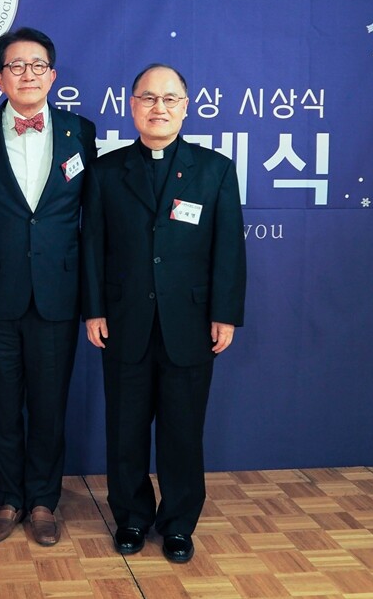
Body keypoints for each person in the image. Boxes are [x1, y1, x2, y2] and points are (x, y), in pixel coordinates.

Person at [81, 63, 246, 563]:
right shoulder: (106, 171)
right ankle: (131, 517)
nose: (159, 108)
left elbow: (228, 249)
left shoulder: (215, 170)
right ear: (132, 106)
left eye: (170, 99)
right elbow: (92, 246)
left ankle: (178, 523)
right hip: (124, 320)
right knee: (125, 429)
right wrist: (93, 310)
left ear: (186, 107)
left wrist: (224, 313)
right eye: (149, 98)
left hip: (190, 324)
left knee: (182, 431)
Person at [0, 27, 97, 546]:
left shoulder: (81, 131)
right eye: (16, 66)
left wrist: (92, 302)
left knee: (49, 406)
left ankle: (42, 501)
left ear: (52, 75)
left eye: (37, 65)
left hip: (57, 293)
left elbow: (90, 222)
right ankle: (8, 499)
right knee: (1, 406)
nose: (28, 74)